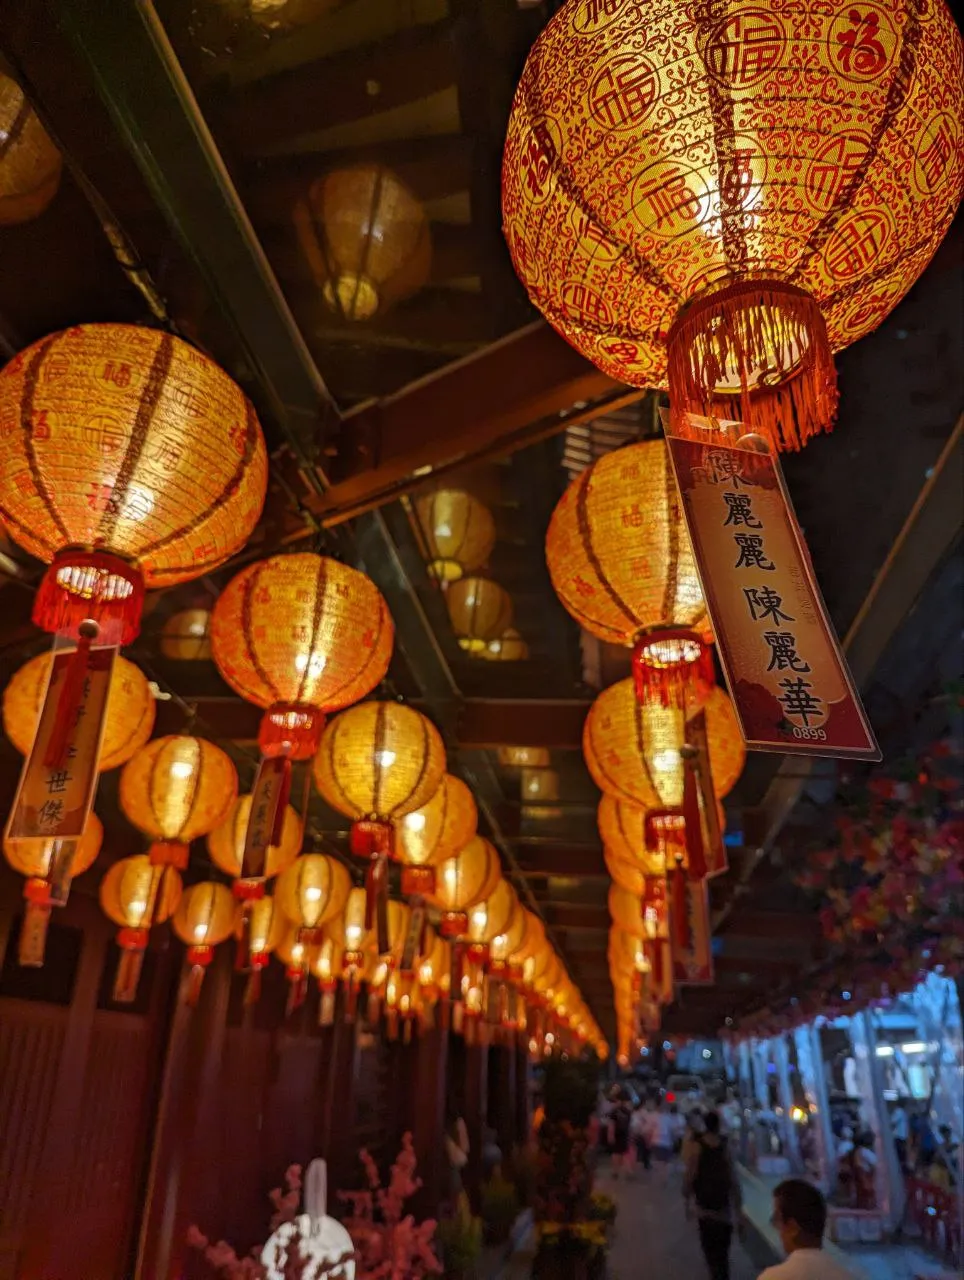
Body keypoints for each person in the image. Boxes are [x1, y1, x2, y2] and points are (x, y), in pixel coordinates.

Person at [683, 1110, 743, 1280]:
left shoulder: (697, 1146)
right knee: (723, 1255)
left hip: (704, 1208)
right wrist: (739, 1212)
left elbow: (690, 1175)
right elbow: (734, 1178)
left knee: (710, 1253)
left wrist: (686, 1200)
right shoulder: (726, 1145)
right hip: (724, 1210)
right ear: (719, 1125)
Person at [758, 1180, 854, 1278]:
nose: (777, 1230)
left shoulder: (772, 1277)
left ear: (792, 1227)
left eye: (776, 1220)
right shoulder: (847, 1276)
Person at [609, 1092, 632, 1177]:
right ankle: (628, 1171)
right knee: (624, 1153)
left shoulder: (614, 1111)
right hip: (624, 1134)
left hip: (616, 1134)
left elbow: (611, 1125)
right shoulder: (628, 1112)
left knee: (615, 1153)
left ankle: (615, 1171)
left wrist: (610, 1135)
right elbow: (629, 1125)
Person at [630, 1099, 651, 1172]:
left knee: (636, 1149)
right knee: (646, 1148)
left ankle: (636, 1163)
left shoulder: (633, 1112)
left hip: (634, 1132)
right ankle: (645, 1163)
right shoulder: (643, 1112)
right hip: (641, 1132)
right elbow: (648, 1121)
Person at [890, 1101, 909, 1173]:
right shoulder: (899, 1111)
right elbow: (893, 1122)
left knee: (902, 1153)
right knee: (900, 1153)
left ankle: (902, 1168)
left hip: (902, 1136)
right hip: (899, 1136)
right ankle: (900, 1169)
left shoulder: (902, 1112)